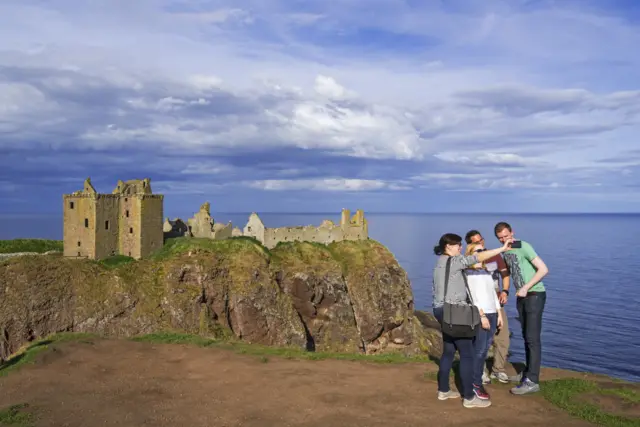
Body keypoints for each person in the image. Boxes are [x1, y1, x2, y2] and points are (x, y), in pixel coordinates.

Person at [432, 233, 513, 409]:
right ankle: (469, 397)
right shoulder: (454, 262)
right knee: (467, 354)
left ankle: (443, 390)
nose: (460, 248)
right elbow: (477, 257)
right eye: (457, 245)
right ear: (448, 246)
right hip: (455, 312)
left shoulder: (439, 263)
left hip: (441, 310)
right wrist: (502, 248)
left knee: (448, 351)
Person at [494, 222, 549, 395]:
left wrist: (526, 287)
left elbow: (543, 269)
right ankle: (527, 374)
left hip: (534, 295)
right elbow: (508, 273)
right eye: (500, 238)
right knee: (526, 336)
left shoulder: (523, 246)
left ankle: (532, 381)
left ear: (512, 232)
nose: (504, 239)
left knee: (532, 338)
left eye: (506, 235)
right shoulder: (505, 251)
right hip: (521, 297)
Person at [465, 230, 511, 384]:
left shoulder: (494, 256)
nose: (481, 243)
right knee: (480, 340)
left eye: (481, 239)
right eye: (476, 242)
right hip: (479, 304)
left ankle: (499, 370)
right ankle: (481, 372)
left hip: (495, 299)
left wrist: (505, 291)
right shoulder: (469, 262)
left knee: (502, 336)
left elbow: (505, 274)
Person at [464, 242, 504, 401]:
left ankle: (476, 381)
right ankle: (475, 383)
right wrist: (481, 316)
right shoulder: (469, 273)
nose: (482, 253)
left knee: (485, 348)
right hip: (482, 315)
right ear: (471, 254)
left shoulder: (486, 271)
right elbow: (472, 296)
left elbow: (493, 293)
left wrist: (499, 312)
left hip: (492, 313)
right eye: (478, 251)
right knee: (479, 350)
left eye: (483, 250)